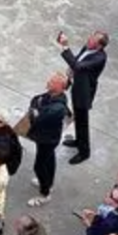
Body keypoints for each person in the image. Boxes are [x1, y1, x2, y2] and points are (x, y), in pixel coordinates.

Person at [22, 73, 71, 205]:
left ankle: (45, 193)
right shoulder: (52, 95)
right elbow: (35, 100)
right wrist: (35, 110)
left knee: (39, 166)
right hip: (45, 137)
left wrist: (35, 111)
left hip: (47, 139)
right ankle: (49, 183)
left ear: (60, 86)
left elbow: (37, 118)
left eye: (52, 81)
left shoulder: (58, 108)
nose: (48, 82)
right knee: (49, 159)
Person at [58, 31, 105, 162]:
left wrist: (66, 47)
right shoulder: (88, 47)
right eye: (90, 38)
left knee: (82, 122)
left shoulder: (99, 58)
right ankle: (79, 141)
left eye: (93, 41)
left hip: (84, 93)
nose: (89, 41)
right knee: (78, 118)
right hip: (77, 87)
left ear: (99, 46)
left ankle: (84, 152)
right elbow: (77, 60)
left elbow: (78, 66)